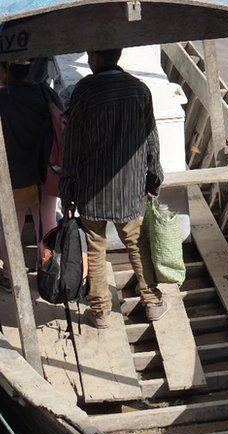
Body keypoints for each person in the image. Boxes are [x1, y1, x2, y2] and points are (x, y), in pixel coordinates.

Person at [60, 48, 167, 328]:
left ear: (96, 59)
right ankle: (152, 301)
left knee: (96, 248)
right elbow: (151, 141)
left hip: (91, 186)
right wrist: (153, 179)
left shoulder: (85, 90)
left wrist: (68, 189)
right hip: (129, 188)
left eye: (89, 56)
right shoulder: (139, 90)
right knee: (135, 242)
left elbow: (71, 143)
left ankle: (99, 312)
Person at [0, 59, 62, 291]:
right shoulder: (47, 94)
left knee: (11, 225)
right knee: (47, 221)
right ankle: (48, 270)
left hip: (12, 174)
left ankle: (10, 276)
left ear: (6, 72)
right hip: (45, 172)